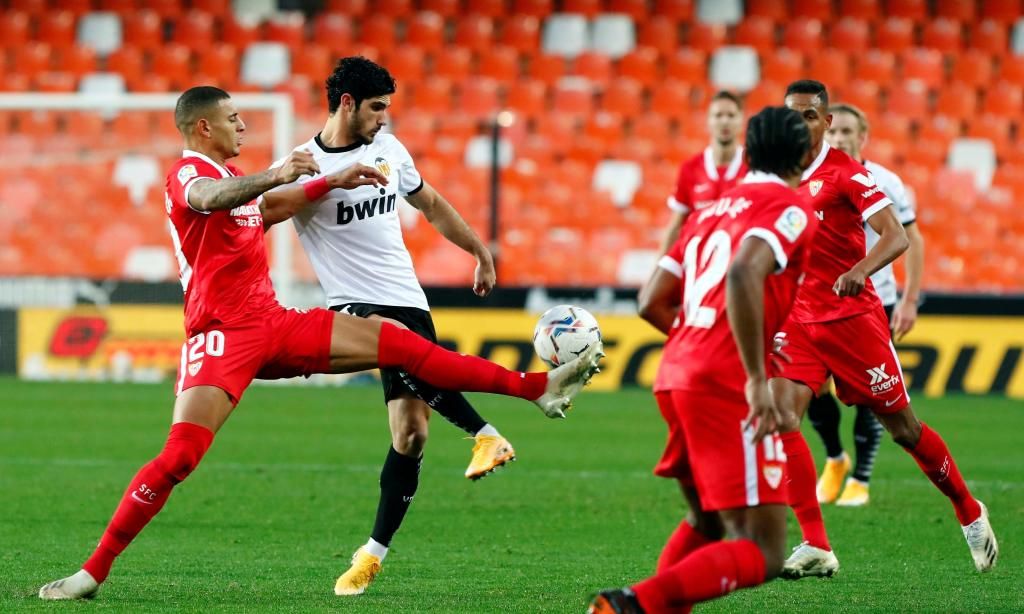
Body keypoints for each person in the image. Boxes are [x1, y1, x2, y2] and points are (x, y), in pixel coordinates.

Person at [38, 86, 603, 601]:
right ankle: (92, 573)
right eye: (233, 120)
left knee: (396, 341)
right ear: (204, 128)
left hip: (274, 323)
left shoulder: (242, 185)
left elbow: (269, 207)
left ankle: (538, 389)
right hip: (220, 337)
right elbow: (212, 198)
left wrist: (328, 180)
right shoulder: (187, 176)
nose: (243, 128)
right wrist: (281, 173)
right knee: (180, 457)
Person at [269, 56, 517, 596]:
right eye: (377, 107)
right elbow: (262, 213)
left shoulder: (390, 150)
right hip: (354, 304)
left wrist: (479, 249)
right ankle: (486, 433)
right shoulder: (303, 162)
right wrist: (291, 182)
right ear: (347, 103)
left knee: (411, 434)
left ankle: (371, 554)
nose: (384, 118)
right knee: (399, 354)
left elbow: (430, 204)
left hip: (407, 300)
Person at [589, 106, 818, 613]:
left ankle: (640, 606)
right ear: (806, 154)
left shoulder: (709, 209)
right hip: (725, 383)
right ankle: (631, 604)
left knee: (707, 523)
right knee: (764, 550)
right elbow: (742, 273)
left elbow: (651, 299)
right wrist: (756, 377)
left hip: (676, 373)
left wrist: (699, 342)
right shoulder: (791, 206)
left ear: (749, 152)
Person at [774, 80, 996, 578]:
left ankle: (967, 508)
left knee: (904, 430)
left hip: (853, 321)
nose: (800, 124)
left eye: (810, 115)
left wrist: (859, 271)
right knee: (779, 415)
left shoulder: (847, 174)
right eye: (792, 116)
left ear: (826, 122)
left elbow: (896, 236)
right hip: (800, 322)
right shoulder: (780, 174)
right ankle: (816, 544)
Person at [811, 103, 927, 508]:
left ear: (864, 136)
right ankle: (834, 457)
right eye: (834, 132)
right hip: (821, 302)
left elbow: (909, 238)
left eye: (848, 132)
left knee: (872, 390)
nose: (840, 139)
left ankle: (860, 478)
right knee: (812, 388)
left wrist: (910, 299)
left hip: (873, 300)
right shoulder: (812, 177)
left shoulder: (885, 181)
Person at [659, 90, 747, 253]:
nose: (725, 121)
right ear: (708, 121)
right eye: (718, 115)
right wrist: (657, 267)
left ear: (741, 120)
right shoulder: (690, 169)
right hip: (698, 264)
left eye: (731, 115)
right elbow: (676, 226)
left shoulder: (754, 167)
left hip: (737, 263)